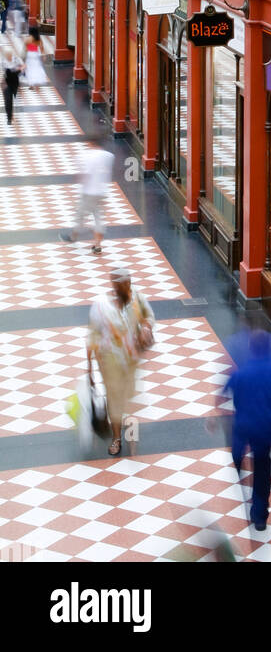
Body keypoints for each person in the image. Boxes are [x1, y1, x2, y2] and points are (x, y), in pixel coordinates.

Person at [218, 329, 271, 531]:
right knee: (262, 467)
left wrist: (214, 417)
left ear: (251, 349)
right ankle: (259, 514)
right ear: (268, 348)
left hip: (243, 426)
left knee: (237, 454)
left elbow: (222, 395)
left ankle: (239, 464)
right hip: (266, 427)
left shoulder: (240, 373)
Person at [87, 264, 154, 456]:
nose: (130, 288)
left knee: (128, 396)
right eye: (126, 284)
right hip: (109, 360)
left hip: (131, 360)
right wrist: (89, 366)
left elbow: (148, 316)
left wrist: (147, 328)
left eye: (130, 283)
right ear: (117, 286)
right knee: (114, 398)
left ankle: (128, 428)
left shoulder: (137, 299)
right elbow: (92, 335)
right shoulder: (101, 306)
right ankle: (117, 438)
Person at [60, 142, 115, 253]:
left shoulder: (86, 156)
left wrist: (81, 184)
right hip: (101, 191)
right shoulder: (108, 155)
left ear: (90, 143)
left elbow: (85, 175)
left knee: (80, 215)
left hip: (89, 192)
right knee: (98, 217)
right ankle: (98, 245)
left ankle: (73, 237)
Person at [2, 54, 20, 127]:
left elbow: (22, 66)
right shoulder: (3, 61)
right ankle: (9, 117)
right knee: (8, 100)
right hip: (6, 83)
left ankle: (10, 115)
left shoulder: (15, 60)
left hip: (14, 82)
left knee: (11, 98)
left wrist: (19, 69)